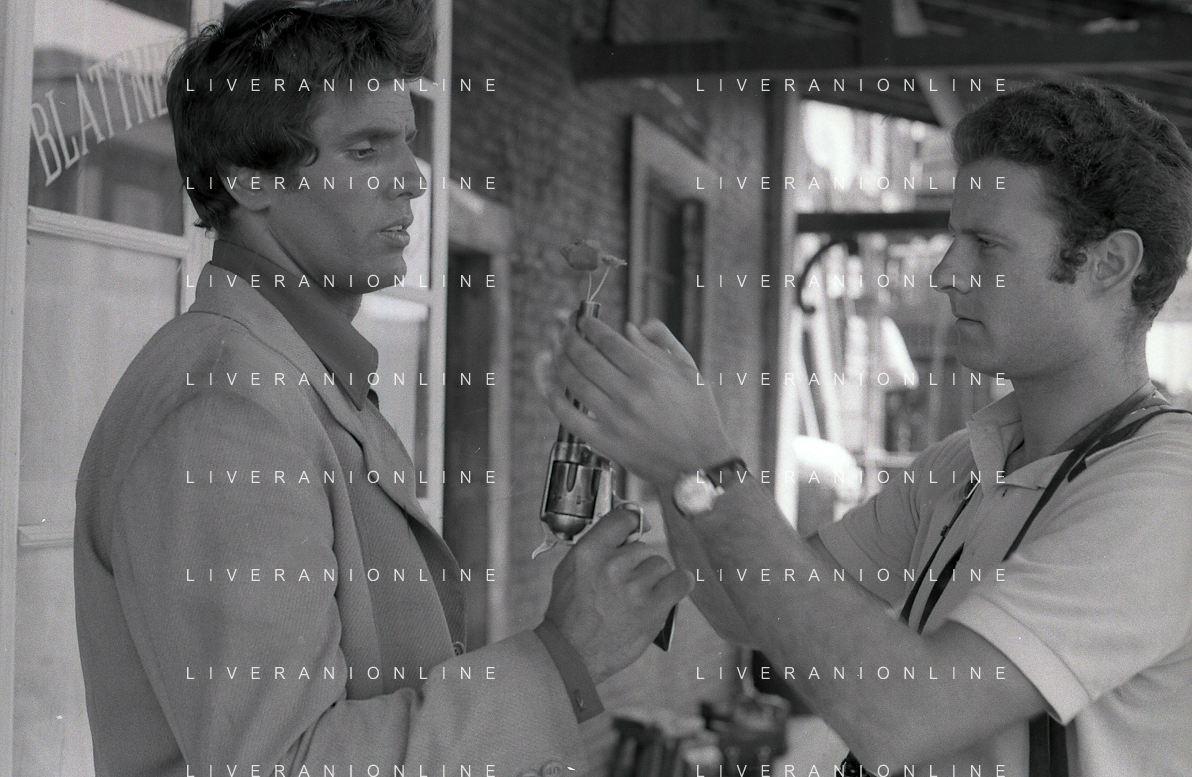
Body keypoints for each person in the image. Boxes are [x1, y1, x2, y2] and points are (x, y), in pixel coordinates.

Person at [73, 2, 691, 776]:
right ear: (249, 179)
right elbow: (287, 763)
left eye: (407, 142)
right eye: (365, 148)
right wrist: (561, 659)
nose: (412, 179)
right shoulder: (227, 407)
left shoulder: (301, 374)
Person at [539, 81, 1192, 776]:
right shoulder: (966, 465)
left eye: (986, 244)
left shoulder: (1165, 491)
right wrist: (673, 461)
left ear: (1108, 264)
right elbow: (744, 608)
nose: (945, 272)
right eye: (954, 237)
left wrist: (706, 466)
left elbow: (906, 715)